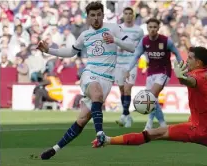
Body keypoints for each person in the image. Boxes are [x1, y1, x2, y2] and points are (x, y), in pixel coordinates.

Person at [92, 24, 207, 166]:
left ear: (198, 63)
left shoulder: (197, 77)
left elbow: (190, 82)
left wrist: (180, 77)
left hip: (197, 127)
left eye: (190, 58)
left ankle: (107, 140)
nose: (187, 60)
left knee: (153, 134)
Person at [36, 2, 135, 160]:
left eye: (98, 15)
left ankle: (55, 149)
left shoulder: (114, 28)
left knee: (82, 120)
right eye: (92, 15)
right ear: (88, 18)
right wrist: (49, 50)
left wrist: (115, 40)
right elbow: (70, 52)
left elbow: (131, 46)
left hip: (107, 80)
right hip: (90, 73)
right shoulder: (85, 35)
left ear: (103, 15)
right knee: (96, 93)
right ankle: (100, 134)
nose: (96, 18)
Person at [125, 18, 182, 130]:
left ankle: (149, 123)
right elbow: (136, 56)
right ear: (147, 28)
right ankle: (162, 124)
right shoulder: (144, 41)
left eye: (154, 27)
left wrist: (182, 66)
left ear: (158, 28)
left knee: (150, 97)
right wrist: (128, 69)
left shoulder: (166, 41)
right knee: (152, 99)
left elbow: (176, 52)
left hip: (164, 72)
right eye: (150, 27)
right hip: (151, 73)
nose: (152, 29)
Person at [115, 7, 144, 128]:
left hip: (131, 64)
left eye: (130, 14)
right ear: (123, 15)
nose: (127, 15)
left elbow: (142, 46)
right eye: (125, 13)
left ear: (133, 15)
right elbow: (113, 44)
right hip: (119, 63)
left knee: (127, 89)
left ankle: (123, 114)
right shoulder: (118, 28)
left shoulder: (139, 30)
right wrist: (119, 47)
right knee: (122, 89)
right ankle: (127, 116)